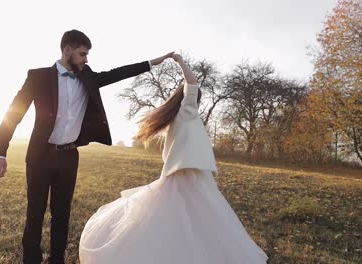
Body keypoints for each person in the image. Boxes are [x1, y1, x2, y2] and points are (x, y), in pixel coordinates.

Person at [0, 29, 173, 264]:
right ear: (67, 50)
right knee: (34, 214)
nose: (86, 59)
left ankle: (57, 259)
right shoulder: (37, 77)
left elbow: (119, 73)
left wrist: (153, 62)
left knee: (62, 215)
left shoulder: (87, 77)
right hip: (40, 156)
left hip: (69, 157)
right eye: (82, 54)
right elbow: (12, 115)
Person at [78, 53, 269, 263]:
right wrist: (179, 60)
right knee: (200, 217)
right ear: (190, 99)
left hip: (186, 173)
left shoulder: (181, 116)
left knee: (188, 218)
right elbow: (192, 83)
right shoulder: (187, 112)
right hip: (187, 175)